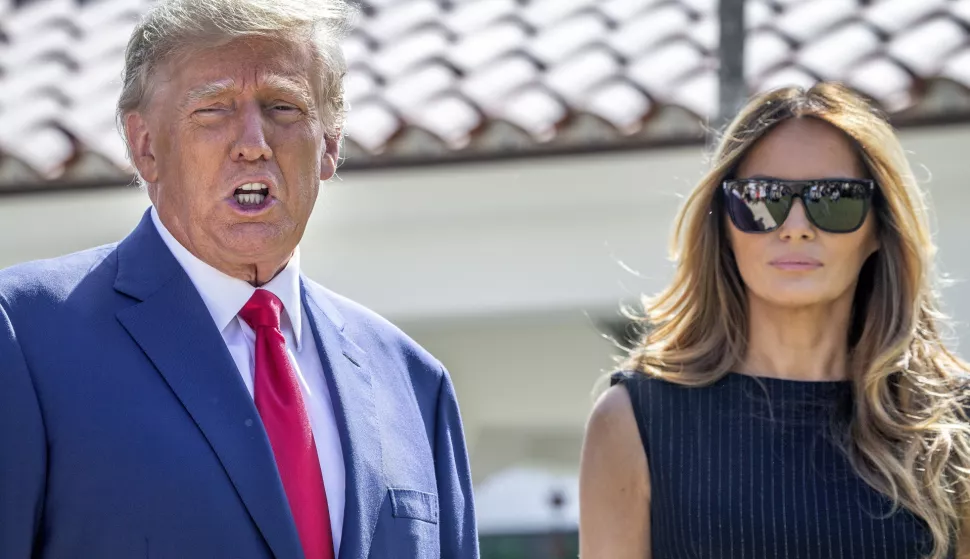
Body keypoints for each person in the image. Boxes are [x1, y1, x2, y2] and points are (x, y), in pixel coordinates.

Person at [0, 1, 479, 558]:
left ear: (329, 145)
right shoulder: (26, 338)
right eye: (213, 109)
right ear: (146, 145)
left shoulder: (415, 383)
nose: (253, 142)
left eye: (283, 107)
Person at [579, 82, 970, 559]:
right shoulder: (633, 422)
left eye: (835, 198)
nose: (796, 226)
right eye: (762, 198)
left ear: (878, 231)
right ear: (723, 224)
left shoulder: (950, 423)